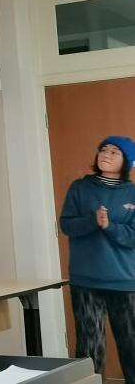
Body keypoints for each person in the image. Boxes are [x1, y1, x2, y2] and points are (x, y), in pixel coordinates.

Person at [60, 135, 135, 384]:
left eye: (114, 152)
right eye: (103, 149)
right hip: (86, 282)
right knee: (90, 348)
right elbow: (67, 225)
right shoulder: (80, 188)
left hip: (125, 281)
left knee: (132, 344)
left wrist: (109, 226)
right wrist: (93, 221)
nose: (106, 154)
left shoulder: (132, 193)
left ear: (127, 161)